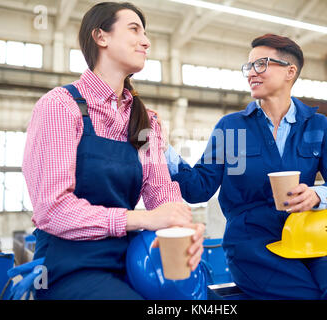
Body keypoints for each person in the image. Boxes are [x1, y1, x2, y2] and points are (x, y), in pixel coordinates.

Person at [163, 34, 327, 299]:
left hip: (308, 240)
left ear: (290, 71)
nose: (251, 73)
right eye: (248, 67)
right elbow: (198, 188)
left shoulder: (317, 126)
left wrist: (318, 195)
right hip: (253, 245)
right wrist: (162, 148)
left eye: (260, 64)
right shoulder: (231, 127)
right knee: (306, 295)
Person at [22, 2, 204, 300]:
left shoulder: (145, 122)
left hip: (132, 259)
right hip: (70, 267)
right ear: (101, 37)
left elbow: (160, 190)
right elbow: (52, 210)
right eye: (134, 29)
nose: (146, 41)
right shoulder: (60, 107)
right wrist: (142, 219)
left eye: (146, 33)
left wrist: (183, 226)